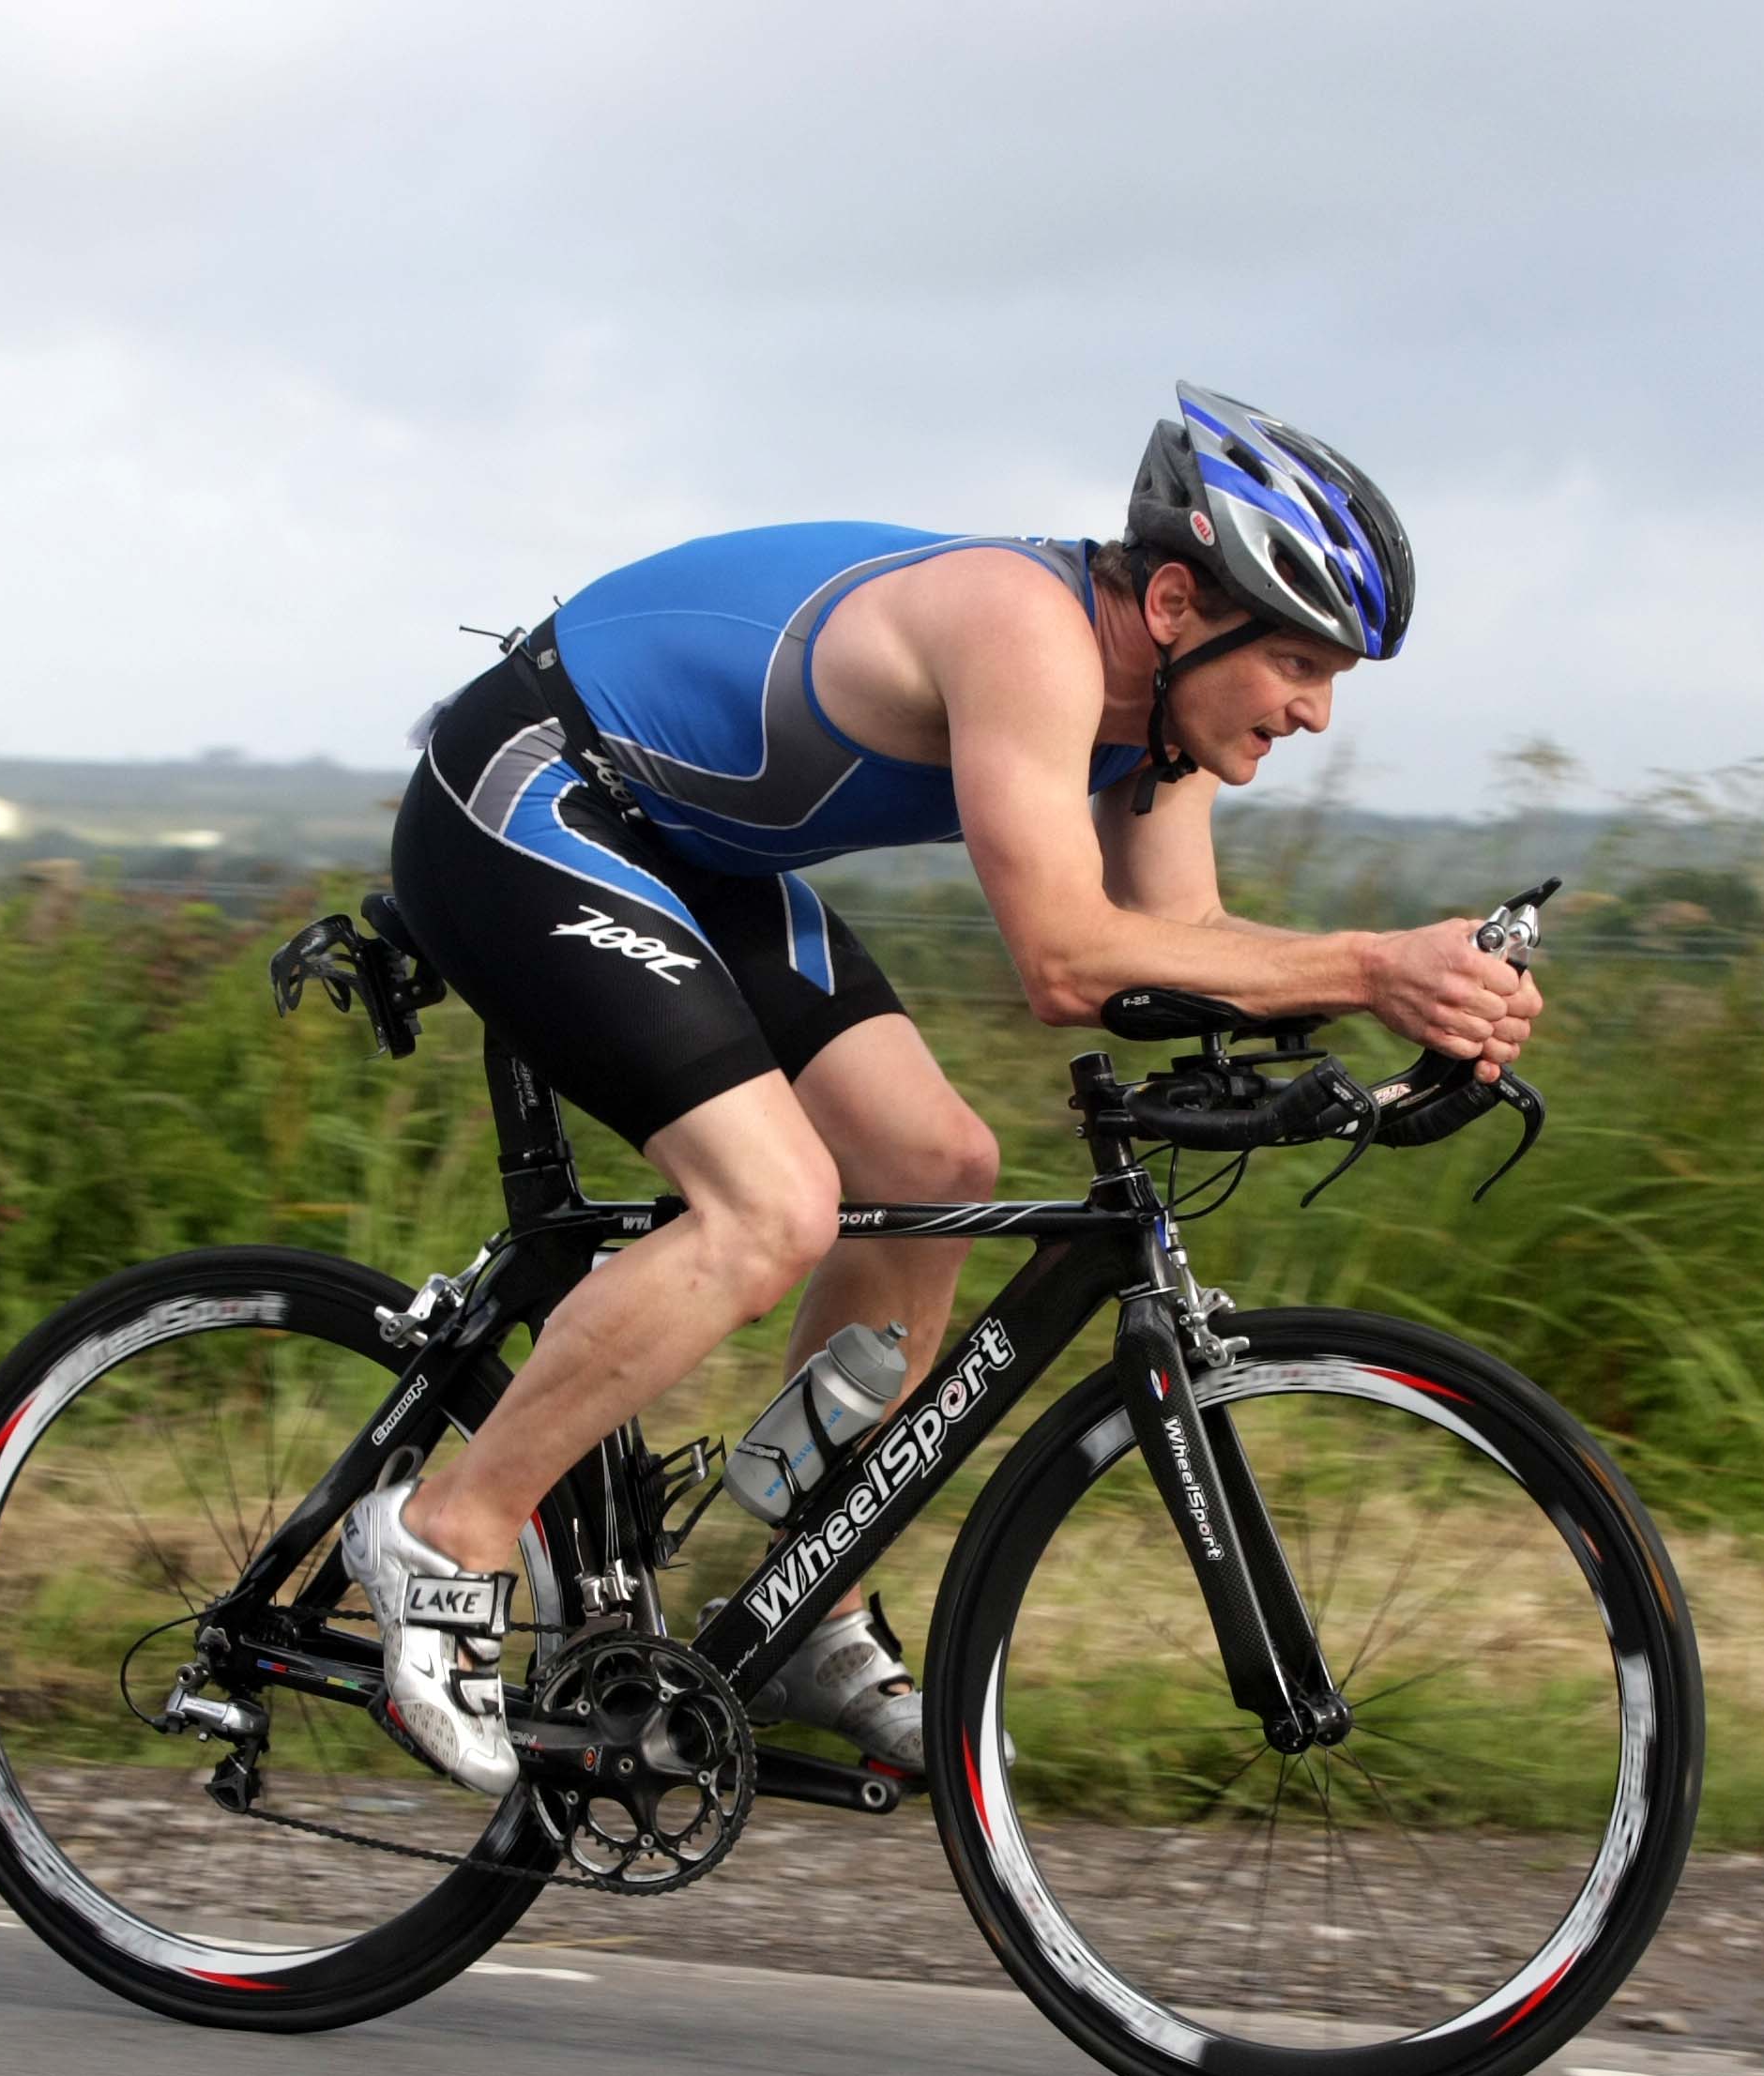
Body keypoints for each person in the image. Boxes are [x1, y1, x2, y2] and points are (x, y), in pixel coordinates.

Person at [347, 382, 1543, 1794]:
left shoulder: (1157, 734)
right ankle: (448, 1531)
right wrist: (1366, 963)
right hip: (533, 795)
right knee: (773, 1208)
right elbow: (1067, 961)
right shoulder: (1022, 634)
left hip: (689, 849)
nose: (1317, 713)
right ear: (1174, 602)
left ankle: (809, 1607)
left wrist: (1403, 1028)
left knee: (937, 1167)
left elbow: (1190, 956)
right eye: (1299, 662)